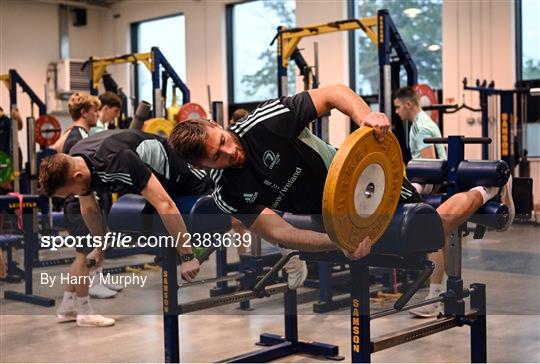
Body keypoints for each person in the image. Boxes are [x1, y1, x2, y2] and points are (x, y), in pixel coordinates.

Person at [168, 84, 515, 298]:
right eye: (218, 156)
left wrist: (365, 117)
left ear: (217, 125)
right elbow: (282, 233)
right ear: (204, 167)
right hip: (329, 217)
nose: (230, 151)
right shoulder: (227, 193)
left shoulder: (265, 122)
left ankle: (489, 188)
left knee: (430, 230)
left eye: (224, 141)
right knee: (402, 251)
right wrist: (339, 242)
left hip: (362, 178)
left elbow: (333, 93)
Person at [38, 128, 216, 326]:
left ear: (78, 176)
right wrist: (99, 246)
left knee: (216, 213)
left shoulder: (117, 160)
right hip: (156, 180)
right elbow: (89, 208)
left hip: (182, 175)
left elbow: (166, 204)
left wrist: (187, 255)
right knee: (148, 223)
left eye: (70, 193)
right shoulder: (76, 159)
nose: (72, 197)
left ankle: (203, 244)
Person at [394, 86, 515, 317]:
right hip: (441, 185)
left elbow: (428, 167)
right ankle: (448, 292)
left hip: (436, 188)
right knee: (441, 240)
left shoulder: (420, 126)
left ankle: (434, 299)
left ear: (408, 104)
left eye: (398, 107)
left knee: (431, 238)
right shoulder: (424, 122)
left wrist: (413, 195)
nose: (397, 112)